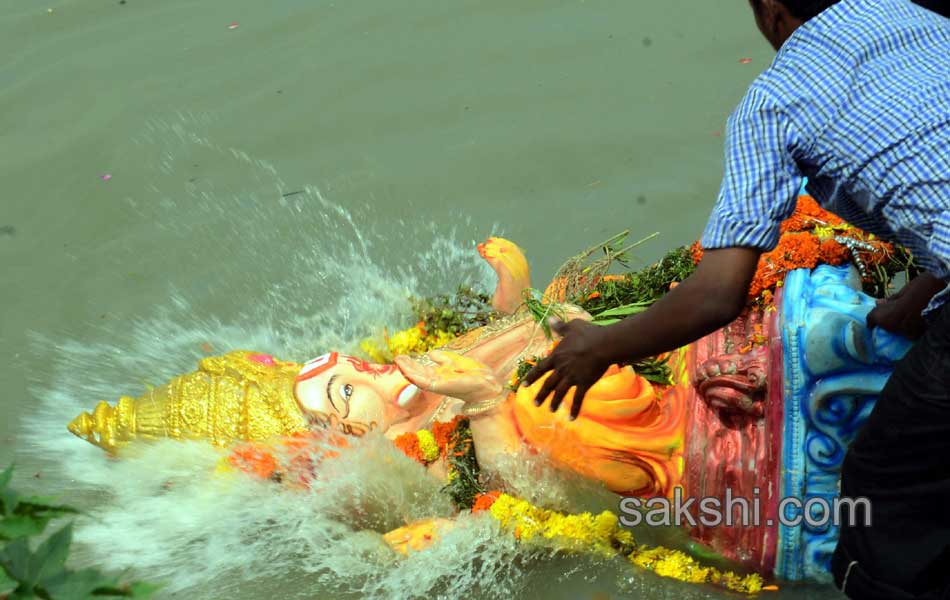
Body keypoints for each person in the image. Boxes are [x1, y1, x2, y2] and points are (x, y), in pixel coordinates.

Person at [525, 1, 950, 598]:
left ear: (772, 12)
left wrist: (599, 347)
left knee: (882, 503)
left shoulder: (774, 100)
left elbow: (717, 293)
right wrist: (925, 290)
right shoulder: (917, 14)